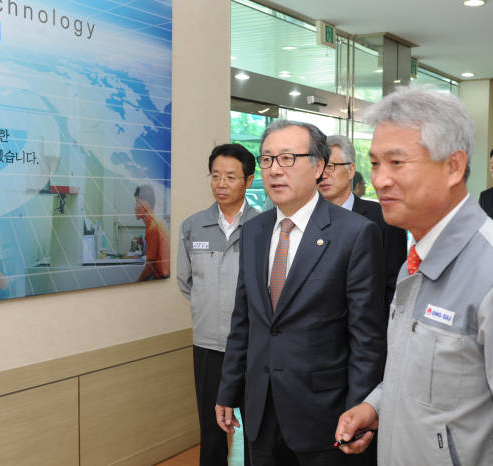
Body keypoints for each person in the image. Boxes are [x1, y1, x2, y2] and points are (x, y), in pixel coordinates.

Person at [335, 85, 493, 465]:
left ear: (454, 166)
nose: (380, 179)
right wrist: (377, 405)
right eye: (375, 163)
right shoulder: (414, 260)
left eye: (397, 163)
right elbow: (432, 378)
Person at [215, 120, 386, 466]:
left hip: (325, 414)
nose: (275, 170)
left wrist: (358, 411)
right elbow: (244, 319)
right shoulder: (255, 231)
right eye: (267, 159)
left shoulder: (355, 233)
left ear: (319, 165)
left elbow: (366, 337)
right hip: (261, 409)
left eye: (288, 158)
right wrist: (228, 390)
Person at [177, 143, 259, 466]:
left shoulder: (264, 226)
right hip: (208, 344)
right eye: (215, 176)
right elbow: (186, 283)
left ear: (248, 181)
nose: (221, 184)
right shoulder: (193, 226)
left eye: (230, 177)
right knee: (211, 430)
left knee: (256, 429)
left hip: (254, 346)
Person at [320, 134, 407, 317]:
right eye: (319, 168)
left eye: (330, 167)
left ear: (351, 170)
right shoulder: (307, 219)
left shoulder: (382, 218)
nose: (323, 175)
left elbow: (394, 286)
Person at [134, 184, 170, 281]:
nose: (134, 208)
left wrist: (136, 284)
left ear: (146, 205)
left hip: (162, 278)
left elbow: (150, 266)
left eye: (137, 203)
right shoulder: (155, 223)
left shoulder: (153, 228)